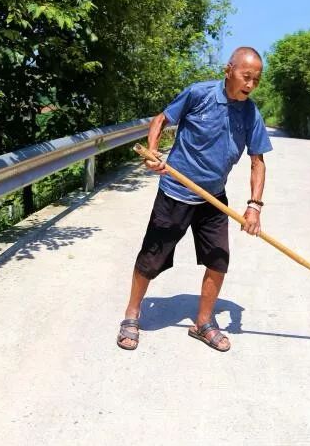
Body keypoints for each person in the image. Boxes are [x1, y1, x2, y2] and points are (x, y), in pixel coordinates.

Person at [117, 47, 272, 352]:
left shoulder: (251, 113)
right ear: (229, 70)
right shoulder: (198, 94)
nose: (251, 85)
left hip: (213, 199)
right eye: (246, 77)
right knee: (151, 258)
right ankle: (132, 315)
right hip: (176, 191)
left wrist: (255, 205)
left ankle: (203, 323)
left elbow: (258, 162)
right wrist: (152, 153)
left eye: (256, 79)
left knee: (219, 260)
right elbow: (160, 119)